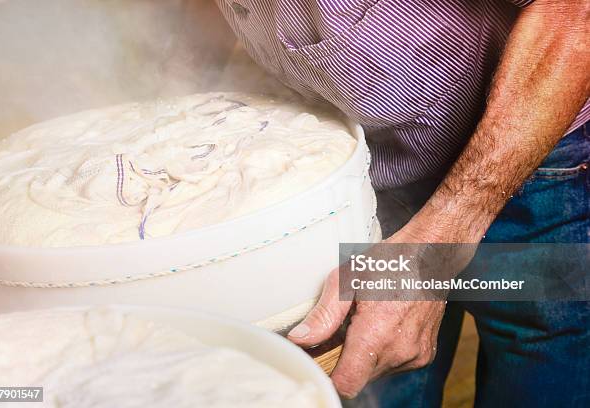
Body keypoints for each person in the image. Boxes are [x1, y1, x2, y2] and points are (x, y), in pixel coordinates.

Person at [215, 1, 589, 406]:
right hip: (371, 162)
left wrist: (435, 245)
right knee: (381, 367)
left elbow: (570, 10)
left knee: (536, 359)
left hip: (528, 155)